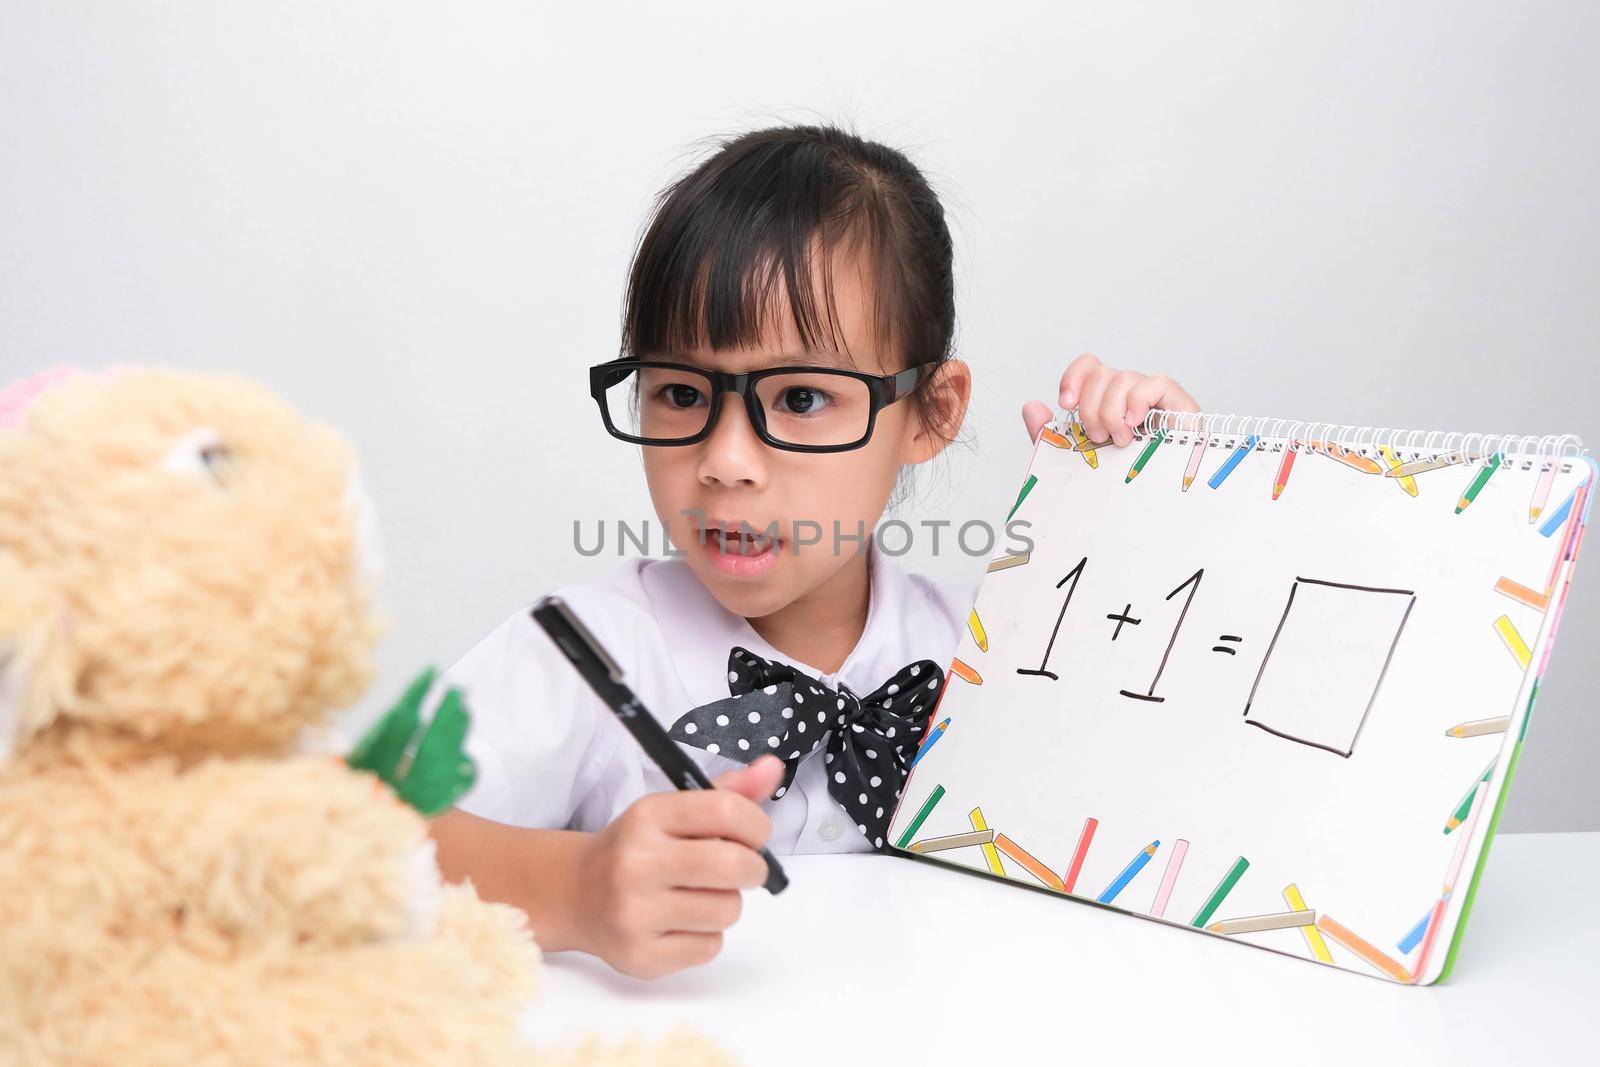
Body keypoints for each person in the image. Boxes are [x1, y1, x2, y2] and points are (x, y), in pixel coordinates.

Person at [430, 124, 1198, 978]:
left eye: (799, 397)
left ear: (933, 413)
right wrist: (574, 888)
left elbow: (1174, 812)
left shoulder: (990, 652)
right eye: (681, 392)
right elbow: (363, 830)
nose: (725, 462)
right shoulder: (586, 652)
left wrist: (1163, 505)